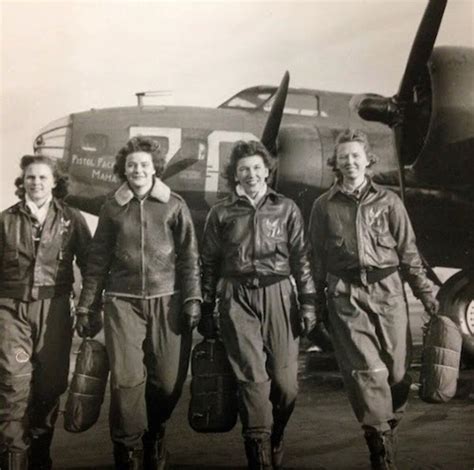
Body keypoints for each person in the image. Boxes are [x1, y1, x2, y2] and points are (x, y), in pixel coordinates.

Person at [308, 129, 439, 470]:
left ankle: (387, 422)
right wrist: (314, 306)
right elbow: (316, 260)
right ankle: (379, 444)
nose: (349, 162)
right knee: (366, 371)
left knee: (397, 372)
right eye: (343, 157)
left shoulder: (390, 202)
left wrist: (427, 296)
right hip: (346, 296)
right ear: (334, 163)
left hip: (389, 293)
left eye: (355, 156)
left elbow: (409, 253)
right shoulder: (323, 207)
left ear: (368, 160)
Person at [76, 136, 201, 470]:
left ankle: (155, 432)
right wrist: (87, 305)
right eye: (132, 165)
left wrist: (193, 298)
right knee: (127, 380)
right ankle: (128, 452)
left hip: (168, 300)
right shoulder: (112, 208)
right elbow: (97, 261)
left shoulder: (175, 205)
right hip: (123, 302)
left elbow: (189, 258)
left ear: (155, 168)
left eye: (144, 164)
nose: (138, 170)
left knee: (168, 381)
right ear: (124, 169)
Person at [199, 140, 317, 470]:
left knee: (285, 386)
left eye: (256, 168)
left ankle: (275, 434)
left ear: (267, 170)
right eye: (243, 169)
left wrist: (308, 303)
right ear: (234, 175)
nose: (250, 174)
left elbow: (302, 259)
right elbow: (207, 263)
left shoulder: (287, 208)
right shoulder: (220, 212)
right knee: (252, 380)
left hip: (279, 293)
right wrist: (207, 307)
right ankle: (260, 455)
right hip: (236, 297)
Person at [0, 155, 92, 470]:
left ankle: (40, 458)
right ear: (22, 182)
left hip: (55, 311)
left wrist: (87, 305)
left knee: (50, 387)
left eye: (42, 177)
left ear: (54, 181)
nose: (36, 183)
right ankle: (13, 459)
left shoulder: (72, 218)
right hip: (11, 310)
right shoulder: (5, 220)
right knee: (13, 386)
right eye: (30, 178)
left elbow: (91, 265)